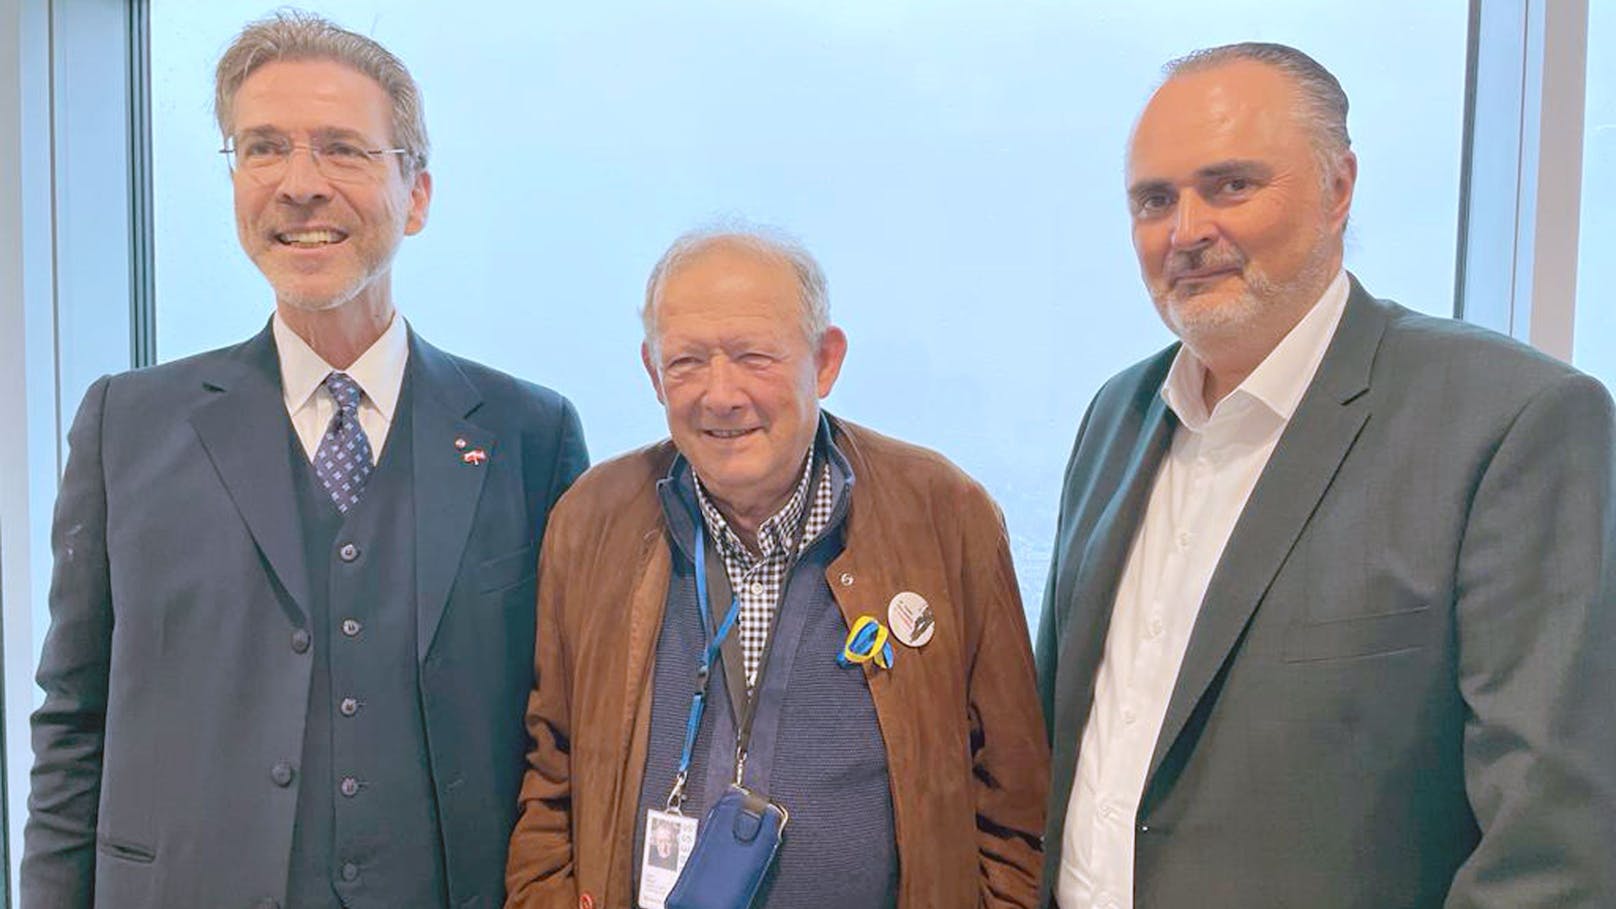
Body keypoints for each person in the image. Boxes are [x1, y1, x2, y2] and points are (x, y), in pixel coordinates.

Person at [22, 11, 587, 908]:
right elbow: (71, 729)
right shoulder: (124, 426)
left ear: (418, 193)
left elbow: (563, 734)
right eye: (263, 149)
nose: (298, 185)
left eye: (343, 150)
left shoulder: (531, 434)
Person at [1036, 41, 1616, 908]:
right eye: (1155, 199)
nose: (1187, 230)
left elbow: (1555, 841)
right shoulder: (1115, 419)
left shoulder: (1513, 421)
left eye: (1230, 184)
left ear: (1338, 189)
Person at [505, 227, 1048, 909]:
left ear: (824, 361)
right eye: (687, 362)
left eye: (753, 356)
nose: (721, 394)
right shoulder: (593, 520)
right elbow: (551, 773)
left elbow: (1015, 801)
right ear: (652, 372)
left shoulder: (946, 515)